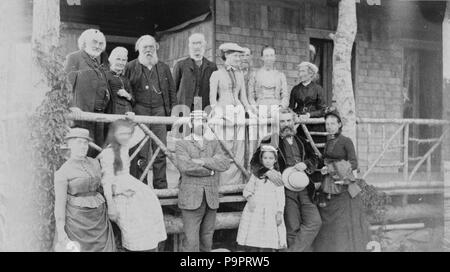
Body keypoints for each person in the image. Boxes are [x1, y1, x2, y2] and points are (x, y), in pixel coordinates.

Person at [251, 108, 321, 252]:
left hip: (304, 187)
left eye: (289, 120)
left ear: (293, 121)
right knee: (292, 227)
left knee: (315, 222)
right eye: (282, 121)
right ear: (278, 124)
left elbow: (315, 158)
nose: (286, 124)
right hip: (284, 189)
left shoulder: (302, 141)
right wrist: (268, 172)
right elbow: (255, 163)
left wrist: (306, 164)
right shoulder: (271, 141)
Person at [99, 119, 167, 252]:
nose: (125, 136)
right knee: (134, 227)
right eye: (121, 133)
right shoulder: (108, 153)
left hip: (132, 187)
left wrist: (133, 119)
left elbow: (140, 134)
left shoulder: (123, 146)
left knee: (149, 216)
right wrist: (111, 206)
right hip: (118, 192)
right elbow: (106, 182)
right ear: (113, 134)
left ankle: (151, 247)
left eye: (127, 133)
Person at [313, 109, 370, 252]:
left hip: (343, 185)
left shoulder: (346, 141)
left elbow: (354, 163)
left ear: (339, 124)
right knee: (331, 220)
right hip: (330, 185)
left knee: (343, 221)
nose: (329, 126)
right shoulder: (329, 142)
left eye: (333, 123)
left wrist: (332, 168)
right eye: (327, 124)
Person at [124, 35, 176, 189]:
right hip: (140, 112)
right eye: (145, 47)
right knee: (141, 153)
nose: (148, 50)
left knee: (160, 151)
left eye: (151, 47)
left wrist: (173, 112)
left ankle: (161, 188)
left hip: (160, 113)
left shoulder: (164, 67)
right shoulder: (130, 67)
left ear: (156, 49)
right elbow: (125, 91)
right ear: (138, 49)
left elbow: (172, 91)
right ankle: (141, 188)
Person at [174, 110, 231, 252]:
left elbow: (224, 164)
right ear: (191, 123)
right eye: (198, 121)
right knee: (191, 242)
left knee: (207, 239)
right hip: (191, 198)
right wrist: (211, 169)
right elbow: (186, 167)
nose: (202, 124)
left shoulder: (213, 142)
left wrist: (202, 161)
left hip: (211, 197)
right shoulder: (182, 143)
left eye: (204, 121)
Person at [53, 128, 116, 252]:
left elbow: (105, 183)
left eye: (85, 143)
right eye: (78, 142)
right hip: (77, 223)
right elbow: (59, 205)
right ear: (69, 144)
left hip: (99, 220)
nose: (83, 146)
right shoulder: (63, 172)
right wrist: (61, 231)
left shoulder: (95, 163)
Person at [209, 42, 255, 186]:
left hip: (239, 113)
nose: (238, 59)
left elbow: (244, 98)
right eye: (235, 55)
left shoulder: (240, 74)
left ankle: (236, 184)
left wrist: (251, 112)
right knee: (224, 149)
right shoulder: (216, 74)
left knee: (239, 149)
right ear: (226, 55)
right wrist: (218, 113)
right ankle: (222, 185)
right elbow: (212, 100)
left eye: (239, 56)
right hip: (223, 113)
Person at [64, 29, 110, 152]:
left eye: (101, 44)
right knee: (82, 150)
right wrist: (71, 106)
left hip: (98, 116)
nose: (98, 46)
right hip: (81, 114)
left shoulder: (101, 63)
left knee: (96, 151)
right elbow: (65, 85)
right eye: (94, 42)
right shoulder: (74, 57)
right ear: (84, 43)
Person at [237, 145, 287, 251]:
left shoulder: (277, 175)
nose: (268, 161)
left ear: (275, 160)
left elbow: (281, 196)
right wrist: (250, 199)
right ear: (261, 159)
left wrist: (279, 212)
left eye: (270, 158)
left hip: (271, 209)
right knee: (253, 236)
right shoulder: (257, 174)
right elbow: (247, 190)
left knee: (268, 237)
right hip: (256, 209)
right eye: (265, 158)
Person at [173, 33, 217, 110]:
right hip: (183, 106)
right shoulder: (180, 65)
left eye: (199, 43)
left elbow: (215, 90)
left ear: (204, 46)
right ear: (190, 46)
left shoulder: (212, 67)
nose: (196, 46)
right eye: (194, 43)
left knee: (200, 121)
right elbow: (173, 89)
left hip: (203, 106)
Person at [248, 46, 289, 111]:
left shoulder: (281, 75)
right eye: (266, 56)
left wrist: (281, 108)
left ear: (275, 57)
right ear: (262, 58)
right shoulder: (255, 75)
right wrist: (255, 108)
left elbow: (285, 96)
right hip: (259, 108)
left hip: (276, 109)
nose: (269, 58)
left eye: (271, 55)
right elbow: (251, 96)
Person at [105, 47, 134, 115]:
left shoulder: (126, 79)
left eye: (124, 60)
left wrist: (127, 95)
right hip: (112, 114)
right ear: (111, 60)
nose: (121, 62)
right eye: (118, 59)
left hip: (127, 114)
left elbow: (133, 100)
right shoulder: (104, 76)